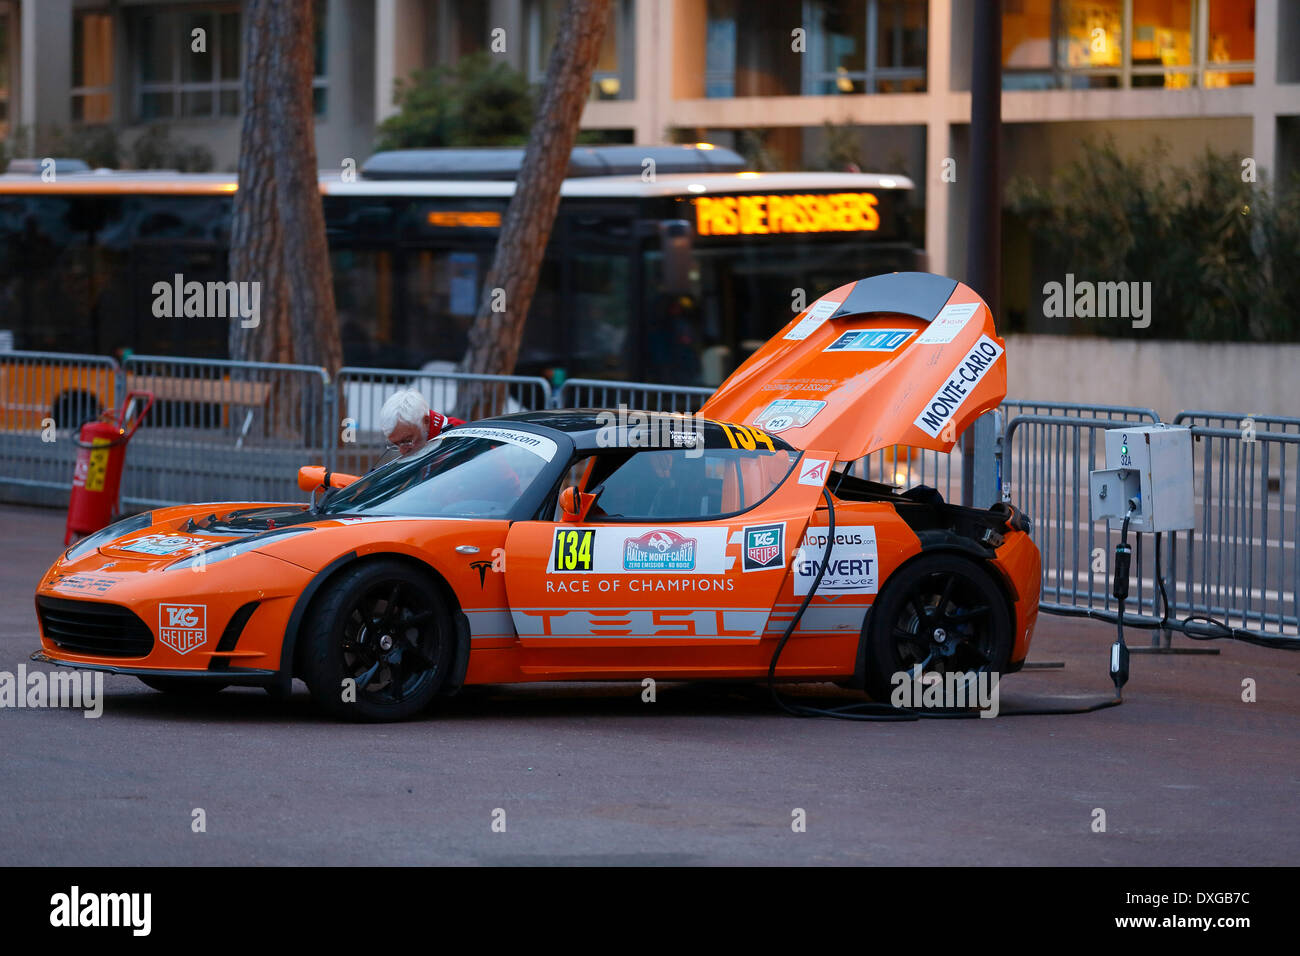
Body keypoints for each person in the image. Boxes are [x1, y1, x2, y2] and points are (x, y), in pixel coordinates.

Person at [378, 388, 464, 458]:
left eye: (407, 441)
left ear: (426, 422)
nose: (403, 451)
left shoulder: (461, 437)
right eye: (395, 444)